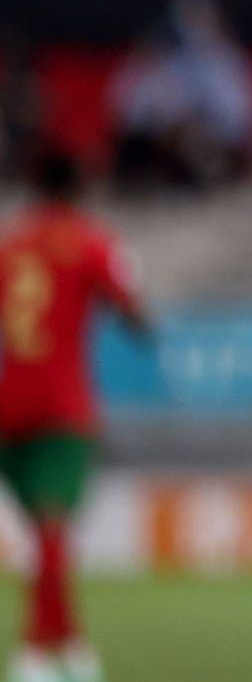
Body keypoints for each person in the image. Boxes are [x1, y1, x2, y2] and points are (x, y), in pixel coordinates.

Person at [0, 149, 149, 682]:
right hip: (63, 405)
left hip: (8, 403)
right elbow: (135, 309)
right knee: (53, 530)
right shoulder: (91, 240)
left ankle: (71, 648)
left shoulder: (10, 244)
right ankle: (35, 652)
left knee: (45, 537)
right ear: (80, 188)